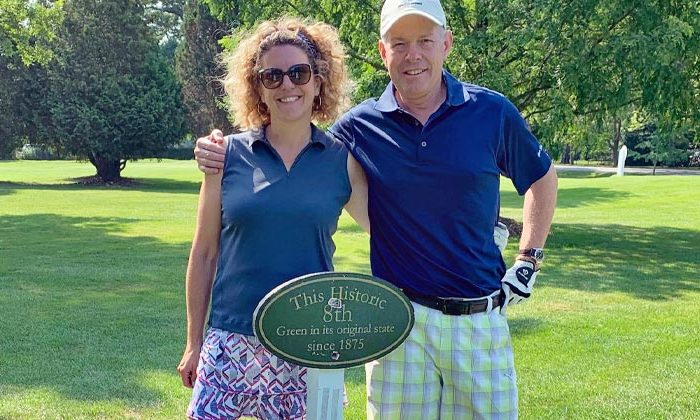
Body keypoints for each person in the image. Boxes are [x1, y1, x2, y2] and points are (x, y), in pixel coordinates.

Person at [194, 0, 558, 418]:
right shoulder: (358, 127)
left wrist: (528, 259)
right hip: (394, 322)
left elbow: (541, 178)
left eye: (425, 40)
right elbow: (291, 135)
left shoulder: (492, 112)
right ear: (384, 52)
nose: (413, 55)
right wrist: (218, 148)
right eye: (399, 43)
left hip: (478, 317)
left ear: (447, 44)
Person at [176, 16, 369, 420]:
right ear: (257, 88)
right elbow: (205, 253)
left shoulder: (341, 160)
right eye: (272, 76)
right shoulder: (224, 155)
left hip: (306, 341)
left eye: (299, 73)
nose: (287, 85)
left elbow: (386, 232)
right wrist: (194, 342)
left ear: (318, 82)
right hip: (231, 337)